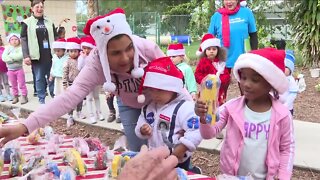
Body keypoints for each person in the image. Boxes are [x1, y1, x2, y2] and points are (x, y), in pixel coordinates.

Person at [0, 8, 166, 152]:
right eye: (115, 53)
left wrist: (188, 109)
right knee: (139, 150)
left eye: (128, 49)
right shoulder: (95, 64)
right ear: (102, 53)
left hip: (161, 102)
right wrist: (25, 126)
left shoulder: (147, 49)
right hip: (129, 105)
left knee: (170, 144)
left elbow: (175, 83)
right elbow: (68, 97)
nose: (125, 58)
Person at [195, 48, 295, 180]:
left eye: (255, 80)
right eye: (243, 77)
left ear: (271, 83)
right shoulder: (231, 108)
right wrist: (204, 118)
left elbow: (287, 148)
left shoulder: (282, 115)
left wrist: (283, 175)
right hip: (232, 176)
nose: (246, 84)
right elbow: (209, 133)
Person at [135, 57, 202, 173]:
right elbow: (141, 121)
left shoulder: (184, 108)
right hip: (155, 155)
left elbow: (196, 130)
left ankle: (193, 171)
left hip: (178, 158)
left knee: (179, 175)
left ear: (173, 88)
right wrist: (142, 129)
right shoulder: (148, 107)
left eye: (160, 90)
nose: (155, 95)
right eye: (151, 89)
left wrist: (182, 148)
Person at [21, 0, 58, 104]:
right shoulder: (26, 22)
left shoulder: (49, 22)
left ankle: (54, 97)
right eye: (37, 7)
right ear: (32, 9)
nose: (39, 9)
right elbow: (23, 39)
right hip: (36, 56)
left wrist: (59, 51)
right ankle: (41, 100)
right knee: (39, 78)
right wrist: (26, 55)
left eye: (41, 7)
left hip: (50, 55)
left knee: (52, 76)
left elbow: (56, 37)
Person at [208, 0, 258, 70]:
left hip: (244, 62)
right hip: (222, 64)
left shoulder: (247, 12)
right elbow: (209, 40)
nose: (229, 2)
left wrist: (253, 56)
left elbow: (254, 36)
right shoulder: (216, 16)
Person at [195, 33, 230, 106]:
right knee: (206, 106)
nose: (211, 51)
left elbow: (226, 75)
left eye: (214, 49)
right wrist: (206, 80)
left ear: (218, 50)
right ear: (205, 51)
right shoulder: (203, 63)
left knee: (219, 107)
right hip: (206, 89)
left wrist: (219, 80)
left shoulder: (221, 63)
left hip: (219, 90)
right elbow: (198, 74)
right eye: (209, 49)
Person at [77, 35, 104, 124]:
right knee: (89, 98)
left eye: (88, 48)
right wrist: (83, 58)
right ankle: (91, 115)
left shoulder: (95, 56)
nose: (86, 50)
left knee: (96, 96)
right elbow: (79, 67)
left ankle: (99, 112)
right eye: (84, 48)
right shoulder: (81, 57)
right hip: (87, 80)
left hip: (95, 80)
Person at [63, 37, 85, 127]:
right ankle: (70, 116)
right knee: (71, 101)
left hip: (80, 83)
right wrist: (65, 84)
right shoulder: (67, 61)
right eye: (71, 51)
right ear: (68, 51)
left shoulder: (81, 60)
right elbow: (65, 73)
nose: (73, 53)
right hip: (71, 83)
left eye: (75, 51)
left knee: (80, 99)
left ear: (78, 51)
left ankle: (79, 111)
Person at [2, 34, 28, 104]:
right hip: (10, 70)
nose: (14, 41)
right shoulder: (7, 48)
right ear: (9, 41)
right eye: (12, 39)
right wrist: (13, 58)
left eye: (16, 39)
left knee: (22, 84)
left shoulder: (21, 48)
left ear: (19, 40)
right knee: (13, 84)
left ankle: (24, 96)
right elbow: (4, 57)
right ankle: (15, 96)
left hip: (19, 69)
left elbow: (20, 56)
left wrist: (10, 57)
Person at [279, 50, 298, 116]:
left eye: (286, 67)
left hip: (287, 108)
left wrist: (286, 105)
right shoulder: (277, 77)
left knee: (287, 123)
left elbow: (293, 94)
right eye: (281, 66)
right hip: (276, 107)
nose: (283, 68)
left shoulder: (290, 80)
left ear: (290, 69)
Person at [0, 35, 13, 102]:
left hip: (4, 69)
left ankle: (8, 94)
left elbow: (7, 56)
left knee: (6, 82)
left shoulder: (3, 49)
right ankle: (0, 95)